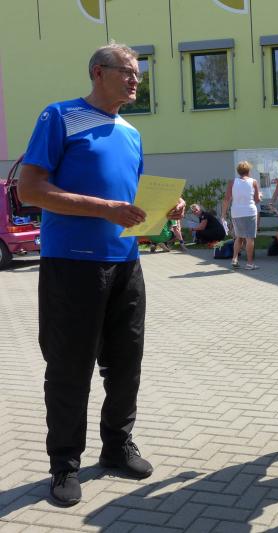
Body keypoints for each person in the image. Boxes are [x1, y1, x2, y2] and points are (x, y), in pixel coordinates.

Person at [17, 42, 185, 507]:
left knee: (126, 363)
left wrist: (166, 208)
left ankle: (116, 446)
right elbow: (30, 190)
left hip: (126, 263)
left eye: (138, 74)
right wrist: (105, 208)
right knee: (69, 367)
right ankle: (64, 464)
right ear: (97, 72)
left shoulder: (131, 132)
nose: (135, 80)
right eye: (127, 71)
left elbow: (132, 201)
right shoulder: (59, 116)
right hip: (72, 264)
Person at [223, 161, 262, 270]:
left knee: (239, 237)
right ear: (249, 171)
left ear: (238, 171)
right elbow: (257, 200)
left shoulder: (232, 182)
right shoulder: (254, 182)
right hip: (249, 212)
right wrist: (260, 195)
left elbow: (226, 199)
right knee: (250, 238)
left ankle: (234, 259)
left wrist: (223, 215)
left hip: (236, 212)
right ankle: (249, 264)